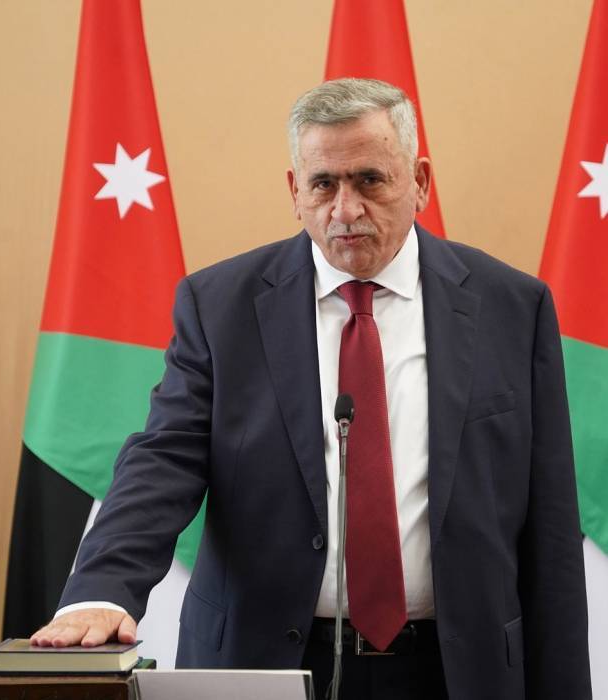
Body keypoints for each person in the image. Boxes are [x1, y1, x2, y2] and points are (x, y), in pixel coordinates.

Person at [31, 78, 591, 700]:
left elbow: (551, 527)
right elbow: (163, 459)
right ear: (295, 191)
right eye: (324, 184)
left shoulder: (511, 307)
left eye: (370, 180)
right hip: (267, 663)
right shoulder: (220, 306)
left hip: (458, 670)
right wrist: (102, 589)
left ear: (420, 182)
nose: (345, 209)